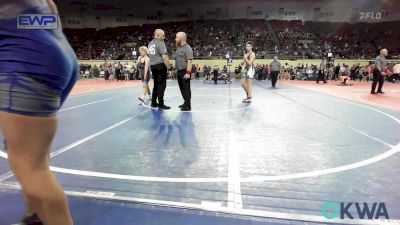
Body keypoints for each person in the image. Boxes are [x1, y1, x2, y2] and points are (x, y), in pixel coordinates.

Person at [0, 1, 76, 225]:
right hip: (58, 52)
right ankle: (36, 215)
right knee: (28, 153)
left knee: (30, 166)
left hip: (26, 64)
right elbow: (51, 9)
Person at [148, 29, 171, 109]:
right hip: (160, 66)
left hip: (153, 66)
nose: (164, 37)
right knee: (162, 85)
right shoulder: (160, 43)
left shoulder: (150, 43)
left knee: (156, 84)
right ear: (157, 35)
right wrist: (169, 67)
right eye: (162, 35)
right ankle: (161, 103)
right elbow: (164, 57)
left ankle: (154, 102)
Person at [175, 32, 194, 111]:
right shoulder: (179, 48)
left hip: (184, 71)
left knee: (186, 89)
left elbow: (189, 61)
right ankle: (185, 102)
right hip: (179, 71)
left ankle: (188, 106)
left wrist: (188, 73)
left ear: (181, 38)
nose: (175, 39)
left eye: (176, 37)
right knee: (182, 89)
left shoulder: (187, 48)